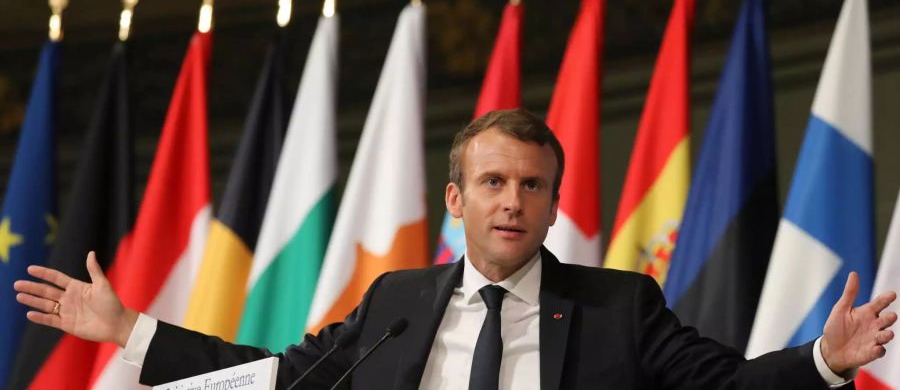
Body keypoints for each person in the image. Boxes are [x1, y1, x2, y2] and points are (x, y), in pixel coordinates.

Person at [14, 108, 898, 389]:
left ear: (554, 206)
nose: (512, 201)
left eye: (532, 186)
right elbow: (280, 381)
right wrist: (130, 329)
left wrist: (825, 358)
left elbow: (729, 388)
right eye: (492, 182)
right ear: (455, 200)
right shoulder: (397, 305)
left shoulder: (616, 306)